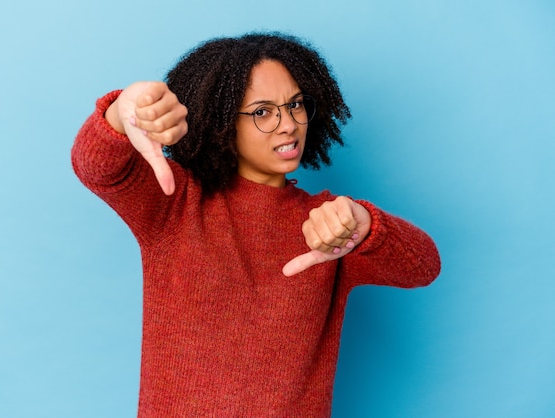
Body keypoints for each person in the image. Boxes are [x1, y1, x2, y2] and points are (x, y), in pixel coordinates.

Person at [72, 32, 441, 417]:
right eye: (263, 111)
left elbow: (424, 265)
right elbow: (96, 168)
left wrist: (364, 224)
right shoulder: (177, 203)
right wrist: (121, 112)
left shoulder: (329, 227)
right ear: (221, 122)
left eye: (295, 104)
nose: (288, 124)